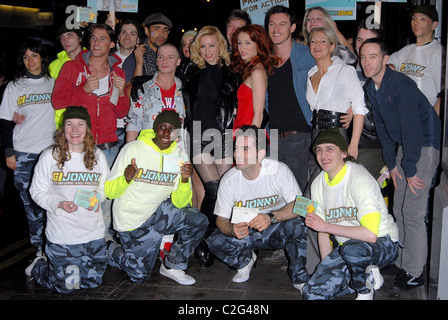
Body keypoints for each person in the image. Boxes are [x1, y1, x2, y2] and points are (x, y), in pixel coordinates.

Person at [360, 38, 441, 291]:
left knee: (414, 212)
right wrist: (392, 163)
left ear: (386, 59)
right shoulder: (372, 88)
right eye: (363, 57)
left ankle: (416, 271)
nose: (366, 62)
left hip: (425, 145)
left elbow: (413, 130)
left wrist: (410, 168)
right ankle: (404, 261)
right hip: (406, 147)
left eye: (373, 56)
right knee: (399, 209)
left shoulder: (400, 85)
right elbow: (384, 129)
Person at [105, 110, 208, 285]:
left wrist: (184, 181)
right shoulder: (133, 149)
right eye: (162, 127)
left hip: (158, 212)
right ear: (155, 128)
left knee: (198, 220)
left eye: (172, 129)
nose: (167, 134)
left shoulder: (179, 155)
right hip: (132, 220)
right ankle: (108, 247)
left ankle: (172, 266)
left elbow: (180, 203)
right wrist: (125, 179)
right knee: (138, 276)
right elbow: (109, 192)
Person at [205, 125, 308, 292]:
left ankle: (300, 278)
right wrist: (232, 229)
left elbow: (304, 206)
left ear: (260, 154)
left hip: (276, 228)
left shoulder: (279, 170)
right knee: (214, 242)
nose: (237, 154)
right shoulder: (229, 179)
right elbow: (221, 219)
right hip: (247, 230)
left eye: (245, 149)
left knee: (298, 225)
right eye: (236, 148)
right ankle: (245, 262)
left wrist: (272, 217)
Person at [302, 128, 399, 300]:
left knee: (353, 249)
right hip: (348, 249)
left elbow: (370, 235)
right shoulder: (317, 184)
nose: (323, 154)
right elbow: (323, 233)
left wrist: (325, 225)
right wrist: (327, 267)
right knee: (312, 293)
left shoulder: (358, 178)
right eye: (319, 149)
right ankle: (365, 275)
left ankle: (364, 289)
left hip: (383, 242)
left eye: (330, 148)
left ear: (344, 153)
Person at [52, 23, 129, 234]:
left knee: (106, 200)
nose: (96, 43)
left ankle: (103, 244)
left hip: (109, 146)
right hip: (80, 148)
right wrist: (82, 89)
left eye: (103, 38)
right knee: (80, 198)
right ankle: (82, 241)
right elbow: (57, 101)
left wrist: (122, 93)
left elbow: (121, 112)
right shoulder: (72, 67)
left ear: (112, 44)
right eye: (93, 38)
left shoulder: (117, 71)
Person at [27, 106, 109, 294]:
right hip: (62, 236)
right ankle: (39, 265)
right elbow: (36, 191)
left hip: (93, 235)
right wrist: (57, 204)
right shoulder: (50, 156)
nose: (74, 130)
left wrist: (96, 198)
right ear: (62, 128)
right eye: (69, 124)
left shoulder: (98, 156)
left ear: (87, 128)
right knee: (66, 287)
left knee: (92, 284)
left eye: (80, 124)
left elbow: (103, 188)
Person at [182, 26, 239, 268]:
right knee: (213, 188)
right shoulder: (190, 71)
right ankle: (203, 241)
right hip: (198, 135)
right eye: (203, 46)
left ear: (220, 46)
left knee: (226, 189)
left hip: (223, 135)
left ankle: (219, 240)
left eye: (212, 45)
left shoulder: (233, 72)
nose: (207, 51)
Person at [0, 38, 56, 259]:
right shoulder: (15, 86)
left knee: (51, 203)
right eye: (26, 57)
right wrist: (9, 152)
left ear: (42, 57)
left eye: (34, 55)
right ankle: (40, 249)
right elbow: (5, 121)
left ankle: (54, 244)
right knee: (31, 205)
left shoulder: (54, 82)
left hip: (50, 154)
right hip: (23, 153)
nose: (30, 61)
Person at [306, 27, 367, 163]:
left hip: (337, 133)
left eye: (323, 41)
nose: (317, 45)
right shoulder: (310, 73)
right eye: (313, 41)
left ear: (332, 46)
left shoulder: (345, 71)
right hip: (316, 134)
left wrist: (353, 144)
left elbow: (359, 107)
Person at [388, 4, 443, 115]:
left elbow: (443, 95)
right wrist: (390, 67)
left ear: (434, 25)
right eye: (414, 19)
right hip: (404, 116)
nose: (416, 23)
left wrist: (431, 123)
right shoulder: (406, 50)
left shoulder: (438, 52)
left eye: (422, 19)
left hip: (423, 118)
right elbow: (385, 64)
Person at [126, 43, 185, 142]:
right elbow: (133, 125)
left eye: (170, 57)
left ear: (178, 61)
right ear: (156, 61)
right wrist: (130, 154)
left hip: (177, 151)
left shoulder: (186, 91)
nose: (164, 61)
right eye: (161, 57)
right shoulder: (142, 90)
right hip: (149, 150)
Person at [230, 24, 279, 131]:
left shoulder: (257, 72)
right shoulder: (250, 69)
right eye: (239, 43)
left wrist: (249, 141)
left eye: (248, 43)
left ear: (259, 45)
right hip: (242, 128)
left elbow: (259, 114)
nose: (242, 48)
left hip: (249, 130)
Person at [353, 19, 385, 179]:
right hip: (348, 143)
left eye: (368, 40)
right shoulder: (347, 70)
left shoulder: (384, 73)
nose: (362, 44)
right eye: (359, 40)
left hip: (373, 145)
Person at [49, 25, 85, 129]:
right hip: (59, 125)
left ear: (80, 38)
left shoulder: (92, 60)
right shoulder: (54, 65)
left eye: (70, 36)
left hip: (86, 123)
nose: (65, 40)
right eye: (62, 37)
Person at [114, 19, 142, 148]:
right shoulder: (107, 60)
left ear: (138, 40)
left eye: (132, 33)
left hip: (134, 126)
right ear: (118, 37)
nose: (127, 37)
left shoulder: (144, 61)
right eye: (123, 32)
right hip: (112, 125)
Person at [124, 13, 173, 80]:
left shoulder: (171, 56)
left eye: (165, 30)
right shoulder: (137, 57)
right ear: (147, 31)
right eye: (156, 29)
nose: (161, 34)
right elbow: (128, 89)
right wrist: (139, 66)